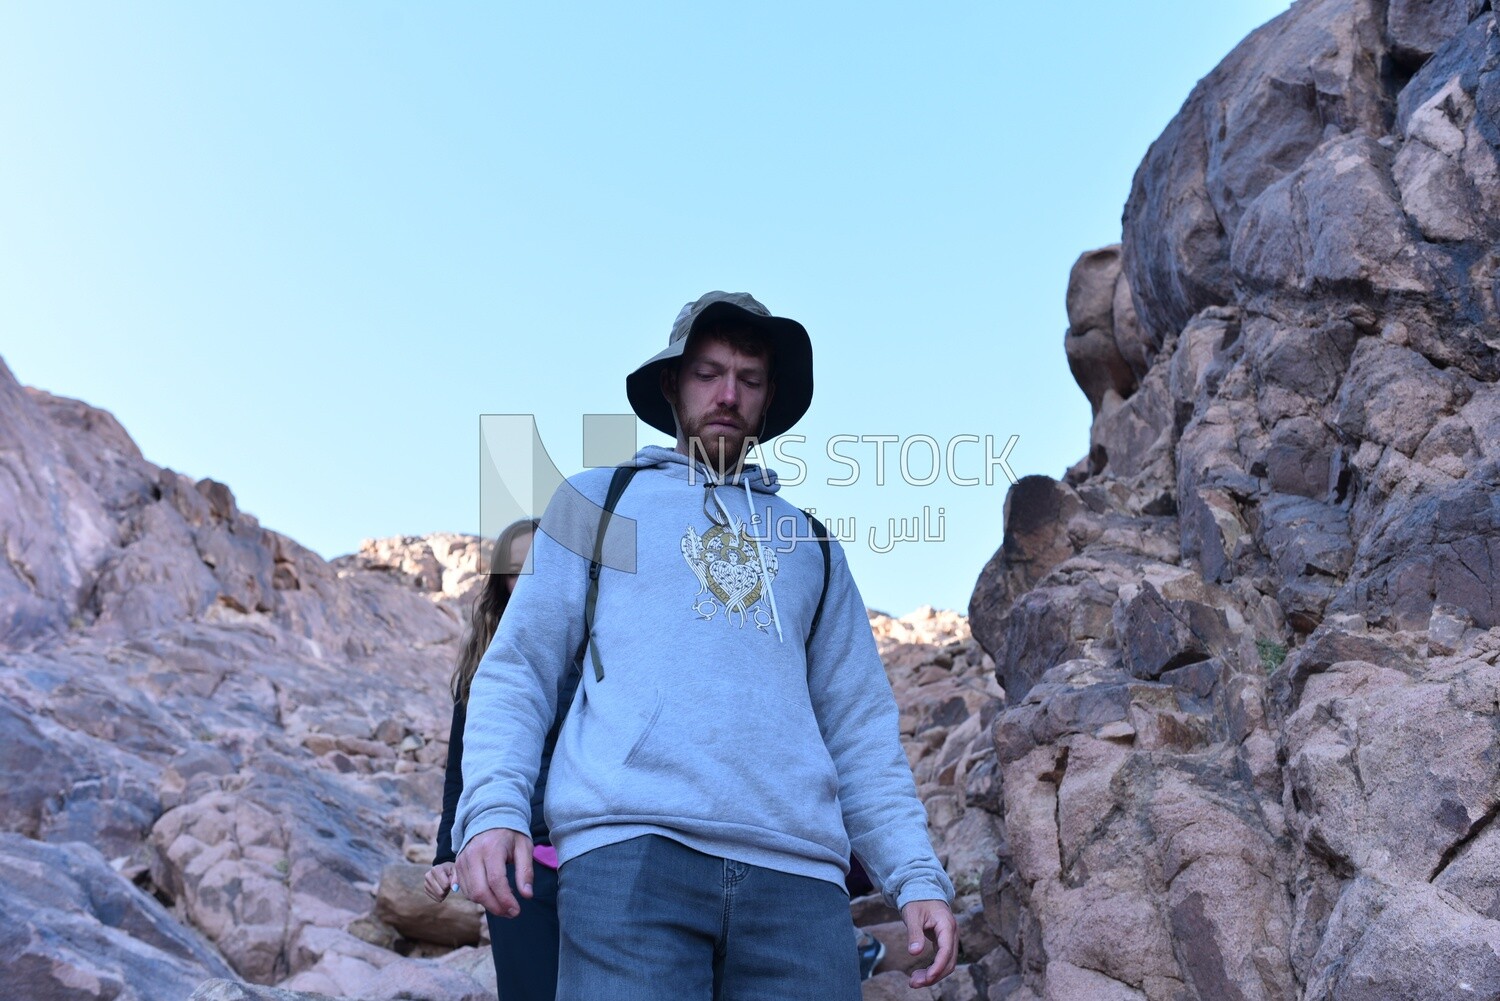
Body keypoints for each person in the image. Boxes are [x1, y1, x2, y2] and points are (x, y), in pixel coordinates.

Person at [453, 291, 958, 999]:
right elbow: (519, 669)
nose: (728, 393)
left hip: (800, 884)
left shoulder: (809, 543)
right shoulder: (599, 501)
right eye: (709, 372)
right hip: (629, 854)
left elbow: (860, 729)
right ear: (671, 383)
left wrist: (914, 876)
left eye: (750, 379)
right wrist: (493, 809)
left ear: (770, 397)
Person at [423, 517, 565, 1001]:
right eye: (516, 570)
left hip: (598, 850)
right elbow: (460, 768)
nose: (528, 580)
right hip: (517, 853)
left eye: (541, 567)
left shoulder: (599, 644)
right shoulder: (483, 665)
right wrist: (447, 852)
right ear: (500, 582)